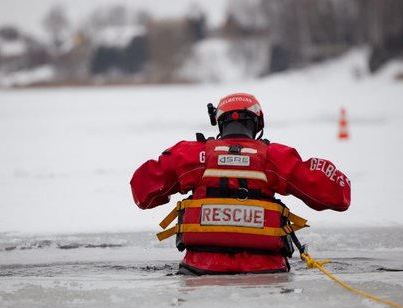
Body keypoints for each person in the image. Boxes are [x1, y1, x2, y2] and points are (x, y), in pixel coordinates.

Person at [131, 92, 351, 275]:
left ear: (219, 122)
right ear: (258, 123)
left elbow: (142, 192)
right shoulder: (274, 158)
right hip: (267, 271)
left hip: (199, 271)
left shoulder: (191, 156)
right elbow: (338, 196)